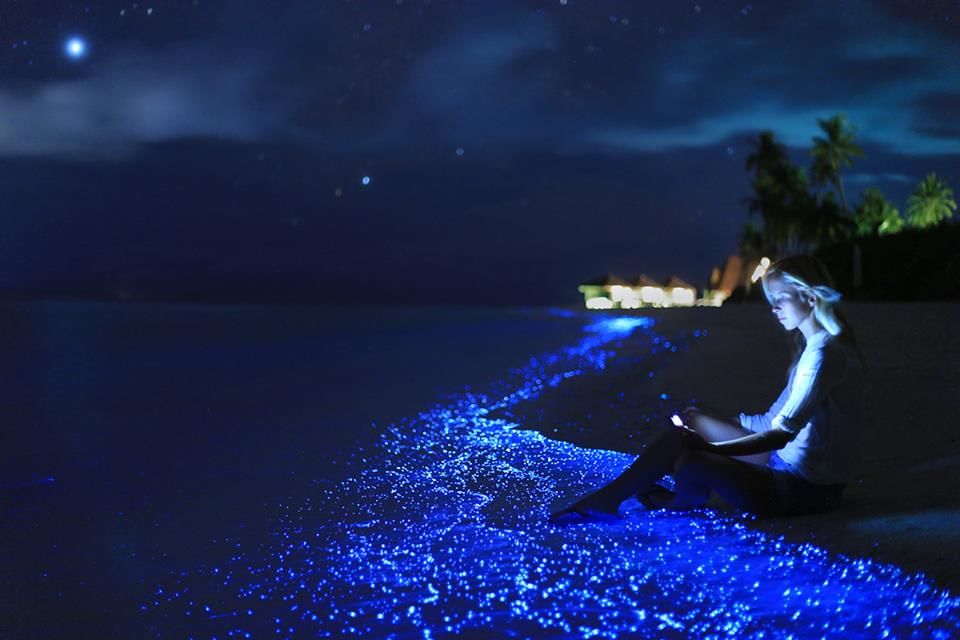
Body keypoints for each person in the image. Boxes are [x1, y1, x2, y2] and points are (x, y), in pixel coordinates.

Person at [549, 255, 865, 524]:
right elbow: (772, 422)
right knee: (686, 425)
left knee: (690, 457)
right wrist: (710, 424)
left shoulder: (825, 355)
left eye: (780, 298)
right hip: (782, 465)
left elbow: (782, 434)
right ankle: (650, 498)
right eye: (771, 301)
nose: (773, 308)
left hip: (802, 489)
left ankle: (655, 501)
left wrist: (711, 448)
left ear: (809, 297)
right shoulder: (817, 347)